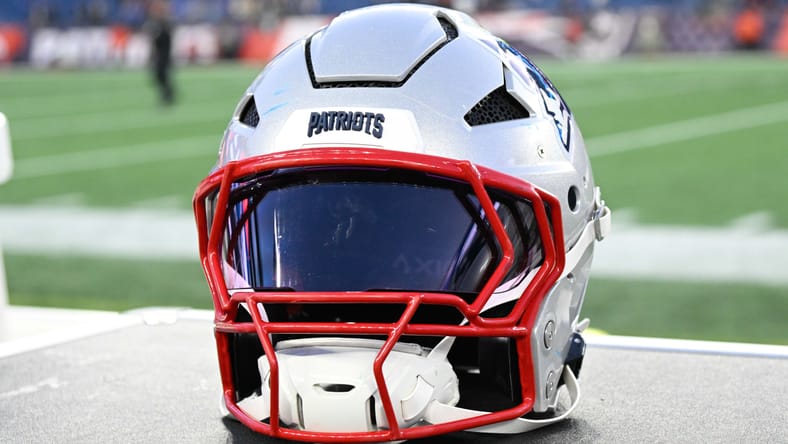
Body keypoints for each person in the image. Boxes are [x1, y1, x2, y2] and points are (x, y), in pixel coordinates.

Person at [145, 0, 174, 105]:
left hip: (164, 53)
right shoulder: (156, 23)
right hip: (159, 53)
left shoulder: (165, 23)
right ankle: (167, 94)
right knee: (159, 75)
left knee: (162, 75)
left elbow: (166, 39)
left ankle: (168, 95)